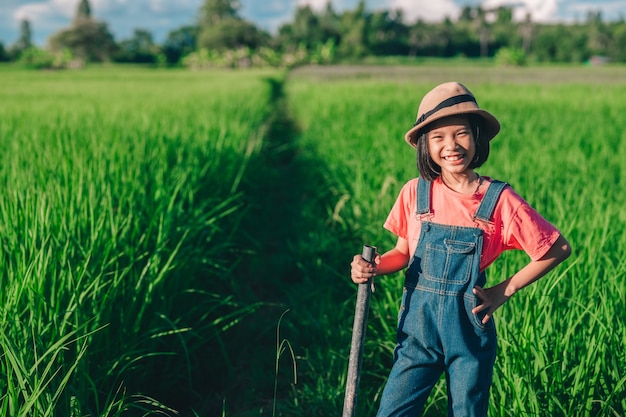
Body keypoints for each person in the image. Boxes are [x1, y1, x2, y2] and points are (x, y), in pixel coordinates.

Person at [350, 81, 571, 417]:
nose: (451, 146)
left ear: (477, 137)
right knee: (393, 411)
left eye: (461, 134)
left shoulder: (498, 200)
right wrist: (374, 266)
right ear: (425, 145)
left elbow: (557, 248)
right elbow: (403, 254)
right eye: (438, 137)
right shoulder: (416, 192)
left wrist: (502, 291)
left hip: (468, 333)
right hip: (417, 332)